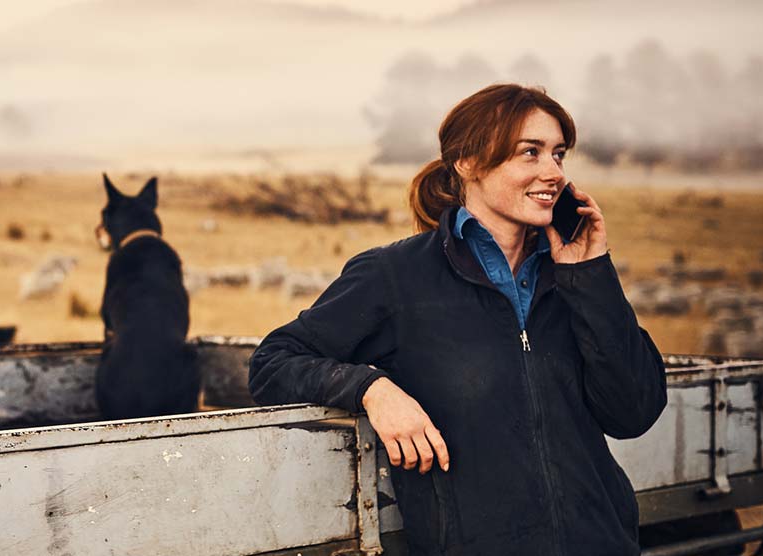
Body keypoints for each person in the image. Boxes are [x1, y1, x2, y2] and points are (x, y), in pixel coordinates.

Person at [249, 83, 667, 555]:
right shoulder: (396, 275)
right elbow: (273, 361)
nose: (553, 173)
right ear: (468, 162)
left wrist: (591, 274)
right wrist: (373, 389)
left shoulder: (573, 278)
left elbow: (633, 412)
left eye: (559, 154)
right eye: (530, 153)